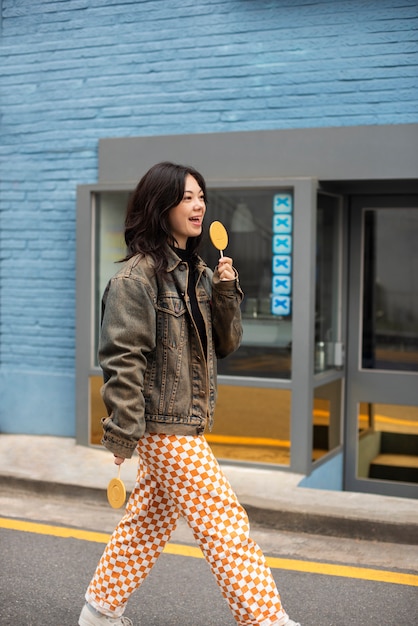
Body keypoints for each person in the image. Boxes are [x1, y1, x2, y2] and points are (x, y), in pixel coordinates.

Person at [78, 162, 301, 626]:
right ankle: (267, 620)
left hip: (187, 421)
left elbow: (226, 344)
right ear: (161, 208)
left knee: (148, 524)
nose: (198, 205)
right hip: (164, 427)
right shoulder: (135, 280)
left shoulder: (199, 273)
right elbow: (122, 360)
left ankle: (99, 611)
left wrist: (225, 290)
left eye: (201, 196)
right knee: (224, 521)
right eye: (186, 198)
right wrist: (122, 435)